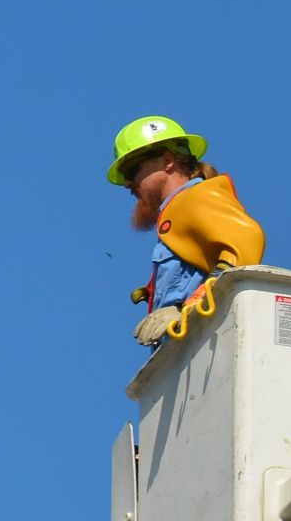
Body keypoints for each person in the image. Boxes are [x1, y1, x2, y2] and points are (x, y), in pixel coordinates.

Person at [107, 116, 265, 349]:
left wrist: (187, 308)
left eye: (132, 170)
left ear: (168, 161)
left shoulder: (195, 198)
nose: (128, 183)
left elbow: (247, 241)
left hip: (203, 348)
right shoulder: (177, 210)